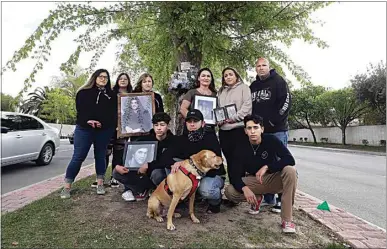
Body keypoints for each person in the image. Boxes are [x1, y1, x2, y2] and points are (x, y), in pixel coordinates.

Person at [224, 114, 297, 233]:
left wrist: (267, 167)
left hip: (273, 179)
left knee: (290, 171)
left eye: (256, 127)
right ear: (245, 131)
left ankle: (287, 220)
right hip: (255, 181)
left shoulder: (271, 140)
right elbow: (234, 174)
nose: (252, 131)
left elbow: (290, 159)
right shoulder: (240, 146)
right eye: (249, 128)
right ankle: (257, 198)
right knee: (230, 191)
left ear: (262, 129)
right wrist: (244, 188)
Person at [60, 69, 117, 199]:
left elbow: (113, 114)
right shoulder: (83, 92)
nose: (103, 79)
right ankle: (67, 186)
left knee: (101, 155)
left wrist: (102, 123)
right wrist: (88, 121)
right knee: (78, 156)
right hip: (84, 128)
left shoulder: (111, 95)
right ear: (94, 78)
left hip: (103, 130)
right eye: (100, 76)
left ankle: (100, 183)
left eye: (106, 77)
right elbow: (80, 111)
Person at [157, 109, 226, 213]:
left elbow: (217, 164)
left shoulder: (210, 138)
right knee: (174, 162)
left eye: (195, 121)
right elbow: (165, 156)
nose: (192, 124)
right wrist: (174, 164)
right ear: (186, 123)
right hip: (194, 174)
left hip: (211, 174)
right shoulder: (181, 139)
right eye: (189, 121)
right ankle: (181, 199)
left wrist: (187, 163)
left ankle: (215, 202)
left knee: (206, 190)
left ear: (203, 123)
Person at [250, 57, 292, 212]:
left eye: (264, 65)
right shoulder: (253, 86)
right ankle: (268, 198)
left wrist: (273, 122)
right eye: (258, 66)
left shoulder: (279, 81)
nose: (261, 68)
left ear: (269, 67)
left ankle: (282, 200)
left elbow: (286, 104)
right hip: (260, 132)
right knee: (263, 162)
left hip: (277, 130)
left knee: (281, 163)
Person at [113, 112, 176, 202]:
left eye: (162, 125)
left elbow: (168, 161)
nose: (159, 128)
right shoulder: (144, 139)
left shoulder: (173, 141)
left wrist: (149, 165)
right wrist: (119, 165)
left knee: (157, 174)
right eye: (156, 125)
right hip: (141, 173)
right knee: (116, 172)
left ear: (168, 125)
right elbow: (129, 152)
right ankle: (142, 189)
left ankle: (157, 190)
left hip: (158, 173)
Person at [93, 73, 133, 188]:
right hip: (109, 128)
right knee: (105, 152)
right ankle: (100, 177)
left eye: (125, 79)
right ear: (117, 80)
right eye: (121, 78)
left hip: (124, 129)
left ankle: (114, 178)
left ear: (128, 81)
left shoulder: (133, 95)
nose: (123, 80)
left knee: (119, 153)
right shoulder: (110, 93)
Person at [217, 67, 252, 181]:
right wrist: (219, 120)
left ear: (236, 75)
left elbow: (247, 106)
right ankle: (233, 191)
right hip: (224, 131)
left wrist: (234, 118)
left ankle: (239, 191)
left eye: (230, 74)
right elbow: (217, 109)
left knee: (239, 161)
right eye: (225, 75)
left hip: (238, 129)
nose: (228, 77)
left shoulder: (244, 88)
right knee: (230, 161)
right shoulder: (221, 91)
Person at [180, 68, 217, 133]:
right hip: (192, 129)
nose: (206, 78)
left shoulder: (215, 95)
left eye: (208, 76)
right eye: (203, 76)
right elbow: (183, 109)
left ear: (211, 79)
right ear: (199, 78)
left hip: (209, 129)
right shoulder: (191, 92)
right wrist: (193, 121)